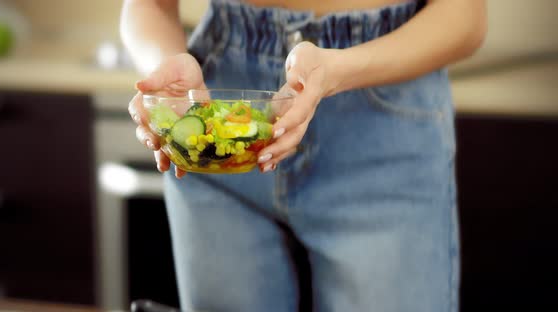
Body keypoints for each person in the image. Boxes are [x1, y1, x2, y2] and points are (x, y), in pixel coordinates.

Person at [121, 0, 486, 311]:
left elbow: (464, 16)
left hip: (382, 117)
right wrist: (166, 85)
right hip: (217, 123)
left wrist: (339, 70)